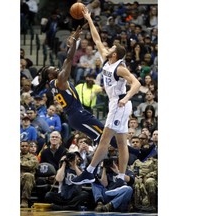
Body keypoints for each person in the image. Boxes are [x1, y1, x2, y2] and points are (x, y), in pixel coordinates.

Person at [71, 8, 141, 192]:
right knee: (120, 142)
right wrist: (88, 19)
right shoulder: (106, 60)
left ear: (115, 54)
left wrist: (125, 99)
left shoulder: (120, 67)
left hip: (119, 103)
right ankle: (120, 178)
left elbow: (136, 83)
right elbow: (96, 39)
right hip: (116, 103)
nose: (108, 47)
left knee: (104, 139)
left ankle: (89, 171)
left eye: (112, 48)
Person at [20, 141, 39, 208]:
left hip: (27, 179)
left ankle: (24, 200)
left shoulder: (33, 157)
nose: (24, 147)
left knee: (28, 175)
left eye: (26, 146)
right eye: (22, 146)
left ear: (28, 147)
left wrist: (20, 163)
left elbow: (30, 166)